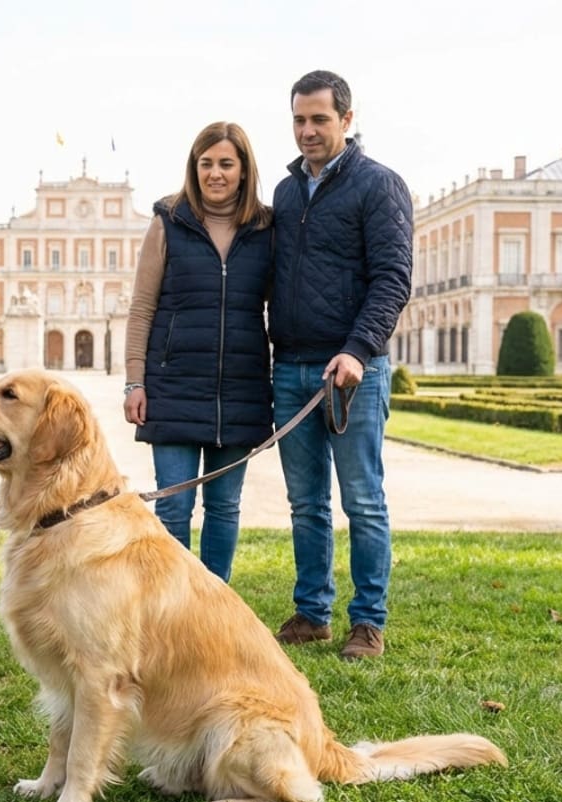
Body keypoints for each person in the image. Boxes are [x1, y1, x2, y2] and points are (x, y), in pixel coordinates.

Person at [269, 70, 413, 660]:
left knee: (363, 500)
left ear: (346, 121)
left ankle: (368, 621)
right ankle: (312, 612)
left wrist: (357, 349)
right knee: (306, 504)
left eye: (319, 120)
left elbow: (392, 279)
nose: (307, 131)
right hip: (292, 368)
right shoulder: (283, 192)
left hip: (354, 370)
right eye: (300, 120)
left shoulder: (379, 185)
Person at [122, 121, 274, 583]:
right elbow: (142, 308)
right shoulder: (168, 221)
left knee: (225, 509)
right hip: (173, 387)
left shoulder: (267, 229)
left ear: (244, 171)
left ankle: (216, 607)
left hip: (242, 389)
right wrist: (135, 380)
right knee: (173, 506)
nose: (215, 173)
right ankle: (170, 608)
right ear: (194, 168)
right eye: (205, 163)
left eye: (226, 163)